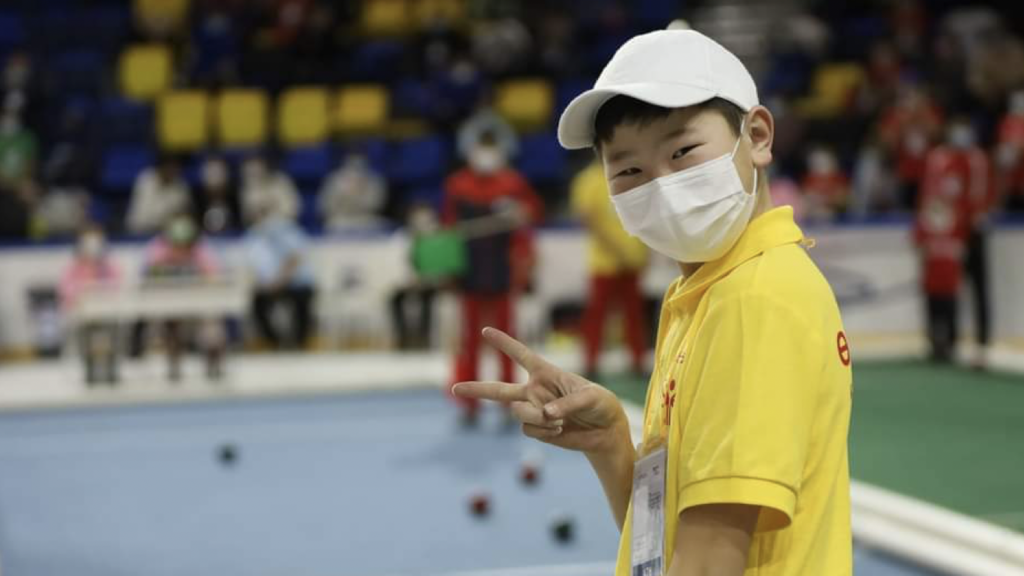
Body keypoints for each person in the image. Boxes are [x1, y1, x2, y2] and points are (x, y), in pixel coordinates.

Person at [455, 30, 852, 576]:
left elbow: (712, 560)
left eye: (683, 151)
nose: (661, 185)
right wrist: (613, 442)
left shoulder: (752, 298)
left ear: (756, 136)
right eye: (629, 171)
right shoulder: (709, 291)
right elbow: (662, 548)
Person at [443, 130, 543, 425]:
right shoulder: (457, 185)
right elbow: (449, 229)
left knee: (506, 343)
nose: (485, 156)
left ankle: (508, 404)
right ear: (472, 152)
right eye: (481, 149)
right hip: (470, 274)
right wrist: (450, 270)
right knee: (469, 342)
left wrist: (525, 262)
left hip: (501, 273)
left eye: (491, 149)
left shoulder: (512, 183)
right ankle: (468, 404)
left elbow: (531, 217)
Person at [916, 119, 993, 367]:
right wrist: (931, 232)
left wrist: (970, 229)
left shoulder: (977, 159)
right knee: (938, 288)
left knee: (977, 286)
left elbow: (982, 194)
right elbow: (930, 197)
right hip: (943, 232)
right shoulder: (937, 159)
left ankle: (981, 344)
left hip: (971, 233)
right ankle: (941, 339)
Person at [570, 160, 648, 380]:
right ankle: (591, 361)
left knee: (634, 315)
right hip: (604, 263)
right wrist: (617, 250)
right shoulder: (590, 180)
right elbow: (588, 219)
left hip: (631, 259)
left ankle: (638, 360)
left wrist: (643, 253)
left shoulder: (633, 174)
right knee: (597, 315)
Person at [142, 214, 225, 381]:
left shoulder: (201, 249)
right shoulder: (157, 248)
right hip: (168, 304)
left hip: (199, 303)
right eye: (176, 244)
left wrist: (199, 279)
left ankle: (214, 367)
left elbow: (214, 276)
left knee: (212, 326)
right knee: (169, 325)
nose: (181, 249)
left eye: (185, 245)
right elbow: (149, 275)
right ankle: (174, 367)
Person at [244, 199, 316, 350]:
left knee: (302, 299)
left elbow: (294, 259)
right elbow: (255, 265)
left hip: (296, 282)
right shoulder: (253, 235)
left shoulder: (281, 228)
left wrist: (279, 282)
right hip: (271, 284)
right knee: (258, 302)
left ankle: (299, 342)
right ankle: (274, 342)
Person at [59, 225, 121, 385]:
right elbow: (66, 289)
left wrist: (101, 289)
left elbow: (117, 286)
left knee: (111, 332)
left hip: (106, 314)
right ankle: (89, 368)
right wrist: (82, 292)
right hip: (84, 317)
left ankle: (111, 367)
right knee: (86, 334)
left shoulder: (108, 266)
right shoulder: (75, 267)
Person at [318, 151, 387, 231]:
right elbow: (325, 207)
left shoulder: (375, 179)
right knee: (332, 225)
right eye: (351, 163)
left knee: (382, 224)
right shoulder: (333, 179)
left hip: (366, 218)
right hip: (341, 219)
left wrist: (361, 190)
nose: (355, 168)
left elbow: (375, 205)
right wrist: (344, 195)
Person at [126, 155, 191, 235]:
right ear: (161, 168)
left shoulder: (181, 185)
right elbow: (143, 216)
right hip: (138, 231)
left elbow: (182, 214)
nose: (173, 171)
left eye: (176, 168)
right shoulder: (146, 179)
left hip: (165, 233)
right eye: (170, 168)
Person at [240, 153, 299, 227]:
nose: (255, 173)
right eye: (250, 172)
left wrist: (269, 210)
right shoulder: (248, 187)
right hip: (258, 229)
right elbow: (249, 215)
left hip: (285, 226)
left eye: (257, 168)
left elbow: (293, 210)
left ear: (265, 166)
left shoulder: (281, 181)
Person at [195, 156, 242, 236]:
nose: (216, 180)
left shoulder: (234, 197)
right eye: (211, 175)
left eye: (219, 174)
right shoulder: (198, 199)